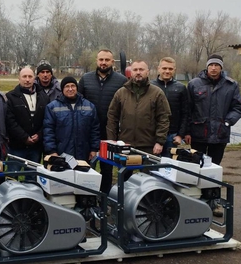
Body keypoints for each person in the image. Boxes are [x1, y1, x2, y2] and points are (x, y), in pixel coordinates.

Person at [78, 49, 127, 193]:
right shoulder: (85, 79)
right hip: (88, 132)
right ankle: (86, 197)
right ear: (97, 61)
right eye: (101, 60)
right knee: (85, 166)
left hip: (110, 132)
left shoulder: (121, 81)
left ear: (112, 62)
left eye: (107, 60)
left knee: (107, 168)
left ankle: (104, 198)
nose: (103, 63)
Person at [185, 54, 241, 165]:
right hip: (198, 134)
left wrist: (227, 122)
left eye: (216, 65)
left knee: (214, 165)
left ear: (221, 67)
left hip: (220, 133)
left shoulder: (231, 85)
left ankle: (212, 182)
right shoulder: (194, 84)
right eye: (211, 65)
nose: (213, 68)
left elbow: (238, 107)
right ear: (207, 66)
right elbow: (188, 109)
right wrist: (187, 132)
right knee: (196, 164)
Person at [107, 60, 171, 155]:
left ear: (147, 72)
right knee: (125, 170)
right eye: (135, 70)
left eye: (141, 69)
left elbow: (164, 118)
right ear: (131, 72)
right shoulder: (121, 93)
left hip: (148, 146)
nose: (138, 72)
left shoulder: (157, 93)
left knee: (147, 170)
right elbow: (112, 117)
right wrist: (112, 141)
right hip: (125, 144)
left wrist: (159, 142)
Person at [43, 77, 101, 162]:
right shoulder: (52, 107)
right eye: (67, 86)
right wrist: (52, 151)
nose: (70, 89)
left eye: (73, 86)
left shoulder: (89, 106)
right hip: (61, 154)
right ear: (62, 89)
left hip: (83, 154)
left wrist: (94, 149)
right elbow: (48, 131)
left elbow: (95, 129)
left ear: (77, 88)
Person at [5, 67, 50, 175]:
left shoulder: (43, 97)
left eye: (30, 76)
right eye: (24, 76)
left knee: (32, 177)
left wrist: (39, 134)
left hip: (35, 146)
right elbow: (10, 121)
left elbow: (47, 120)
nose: (27, 79)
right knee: (12, 176)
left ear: (34, 78)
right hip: (17, 146)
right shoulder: (10, 97)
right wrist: (24, 137)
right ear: (19, 78)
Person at [150, 57, 190, 157]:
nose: (167, 71)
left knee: (168, 168)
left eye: (170, 69)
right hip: (152, 134)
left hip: (172, 135)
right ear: (158, 68)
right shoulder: (150, 86)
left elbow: (185, 113)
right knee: (151, 166)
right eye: (164, 68)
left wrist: (180, 135)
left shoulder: (181, 88)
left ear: (174, 70)